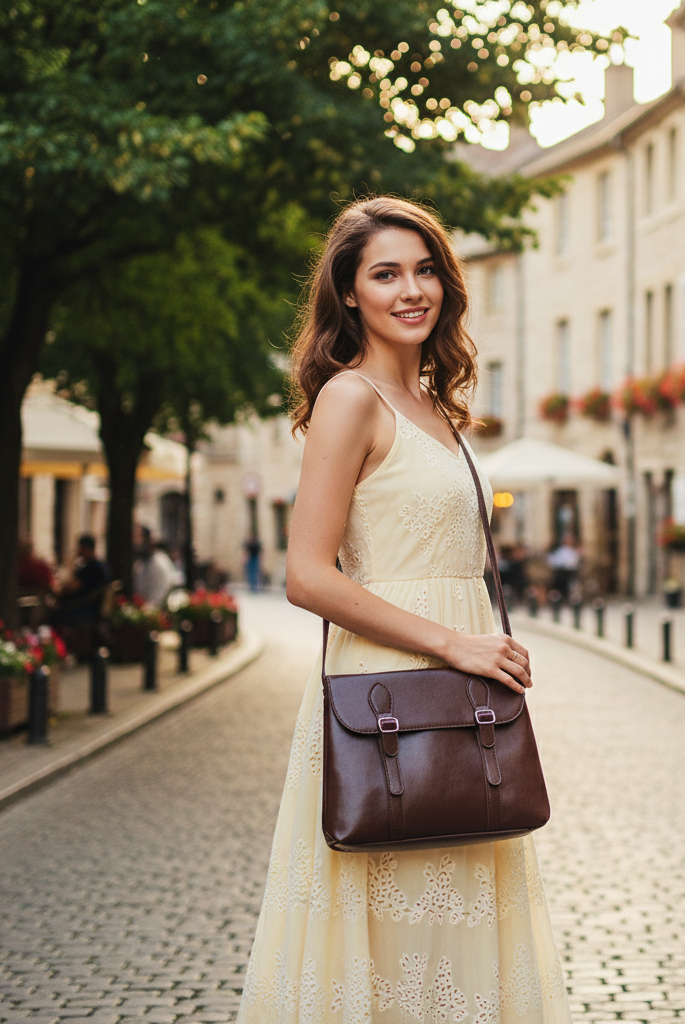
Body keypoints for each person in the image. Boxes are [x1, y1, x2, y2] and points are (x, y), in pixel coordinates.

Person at [236, 198, 570, 1021]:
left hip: (466, 693)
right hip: (389, 690)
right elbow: (308, 576)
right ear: (349, 294)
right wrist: (454, 643)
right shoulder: (349, 399)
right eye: (385, 274)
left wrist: (481, 643)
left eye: (425, 270)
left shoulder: (439, 409)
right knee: (394, 916)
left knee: (452, 914)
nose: (410, 289)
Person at [53, 534, 111, 625]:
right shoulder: (102, 566)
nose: (78, 552)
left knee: (51, 614)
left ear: (85, 548)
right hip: (93, 609)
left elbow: (71, 588)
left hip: (83, 610)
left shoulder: (91, 568)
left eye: (80, 548)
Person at [546, 532, 581, 599]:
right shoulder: (560, 550)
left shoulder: (574, 551)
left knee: (572, 588)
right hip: (561, 573)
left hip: (571, 573)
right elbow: (552, 560)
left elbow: (575, 562)